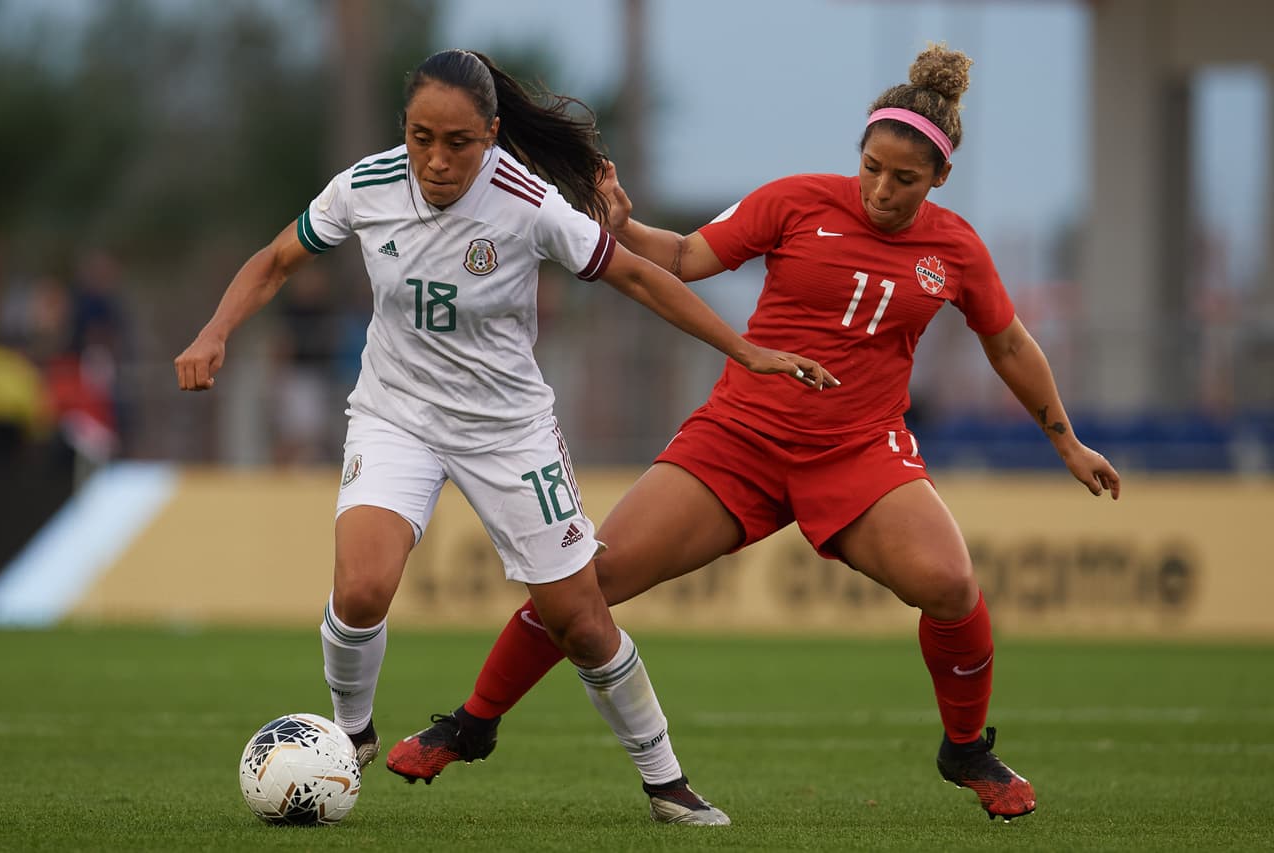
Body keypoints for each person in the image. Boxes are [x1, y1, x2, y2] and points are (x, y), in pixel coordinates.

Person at [397, 43, 1122, 823]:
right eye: (872, 166)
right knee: (587, 583)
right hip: (739, 440)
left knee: (951, 585)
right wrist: (624, 224)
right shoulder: (796, 201)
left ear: (939, 180)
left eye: (904, 179)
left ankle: (967, 748)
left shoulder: (957, 251)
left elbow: (1008, 343)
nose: (881, 189)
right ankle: (472, 723)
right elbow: (686, 257)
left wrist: (1065, 440)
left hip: (857, 452)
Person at [174, 48, 833, 826]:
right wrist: (216, 330)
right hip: (396, 416)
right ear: (404, 130)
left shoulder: (529, 203)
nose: (437, 159)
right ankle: (350, 739)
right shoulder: (365, 185)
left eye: (458, 142)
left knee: (579, 620)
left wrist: (746, 350)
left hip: (508, 431)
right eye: (421, 137)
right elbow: (278, 258)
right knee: (359, 589)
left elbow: (635, 276)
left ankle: (666, 781)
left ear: (491, 134)